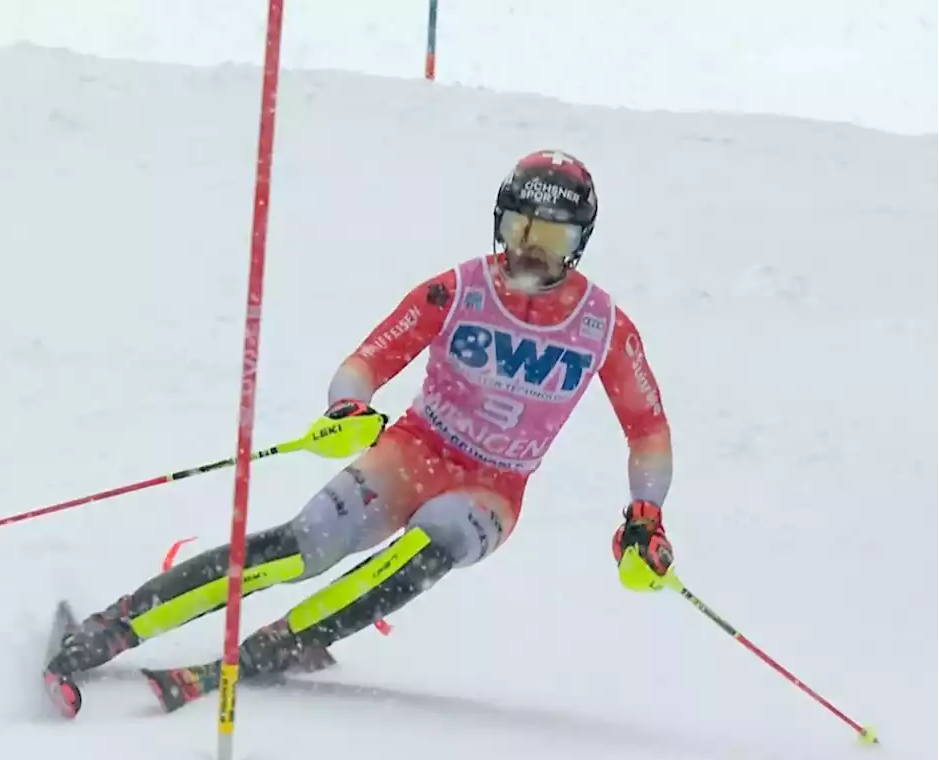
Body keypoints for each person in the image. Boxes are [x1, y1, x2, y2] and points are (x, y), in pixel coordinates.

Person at [44, 149, 675, 714]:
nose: (532, 248)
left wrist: (645, 515)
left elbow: (647, 429)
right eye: (520, 228)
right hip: (418, 448)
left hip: (494, 488)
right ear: (500, 223)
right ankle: (108, 630)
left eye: (553, 237)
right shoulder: (458, 289)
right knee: (304, 545)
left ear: (580, 242)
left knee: (436, 539)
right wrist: (349, 407)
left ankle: (282, 644)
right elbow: (367, 361)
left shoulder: (603, 327)